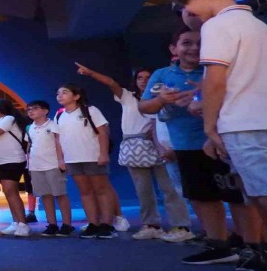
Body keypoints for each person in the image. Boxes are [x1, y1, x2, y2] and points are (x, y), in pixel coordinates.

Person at [171, 0, 267, 271]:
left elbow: (216, 80)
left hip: (245, 124)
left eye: (188, 5)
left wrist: (209, 126)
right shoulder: (257, 25)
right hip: (262, 119)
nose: (189, 13)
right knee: (260, 194)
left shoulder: (217, 25)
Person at [139, 26, 250, 265]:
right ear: (174, 48)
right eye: (186, 43)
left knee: (238, 197)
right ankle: (219, 246)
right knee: (202, 197)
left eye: (200, 42)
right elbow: (144, 107)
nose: (194, 48)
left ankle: (253, 247)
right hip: (185, 146)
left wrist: (206, 103)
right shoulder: (162, 75)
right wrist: (162, 99)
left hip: (224, 143)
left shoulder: (217, 69)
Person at [76, 63, 192, 241]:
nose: (144, 81)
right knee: (143, 189)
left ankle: (181, 226)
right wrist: (91, 73)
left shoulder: (163, 97)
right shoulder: (127, 96)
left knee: (169, 188)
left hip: (160, 144)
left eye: (148, 78)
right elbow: (111, 83)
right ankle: (151, 225)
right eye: (140, 78)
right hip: (134, 146)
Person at [53, 84, 117, 239]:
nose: (60, 95)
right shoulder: (59, 115)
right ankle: (93, 224)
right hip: (72, 159)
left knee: (101, 190)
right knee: (85, 192)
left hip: (93, 157)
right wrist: (61, 159)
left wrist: (103, 154)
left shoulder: (91, 110)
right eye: (58, 93)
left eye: (65, 92)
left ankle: (107, 225)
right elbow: (58, 139)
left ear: (76, 96)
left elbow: (103, 132)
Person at [24, 102, 74, 236]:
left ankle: (67, 224)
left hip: (52, 165)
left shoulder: (53, 125)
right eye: (29, 109)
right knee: (45, 195)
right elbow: (29, 147)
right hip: (36, 166)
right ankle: (52, 224)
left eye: (35, 108)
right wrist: (29, 165)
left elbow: (59, 144)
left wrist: (61, 160)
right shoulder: (29, 128)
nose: (31, 111)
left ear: (45, 111)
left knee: (60, 194)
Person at [0, 99, 31, 237]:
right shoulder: (0, 121)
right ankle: (16, 222)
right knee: (8, 193)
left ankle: (23, 224)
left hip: (11, 161)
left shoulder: (8, 119)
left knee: (11, 192)